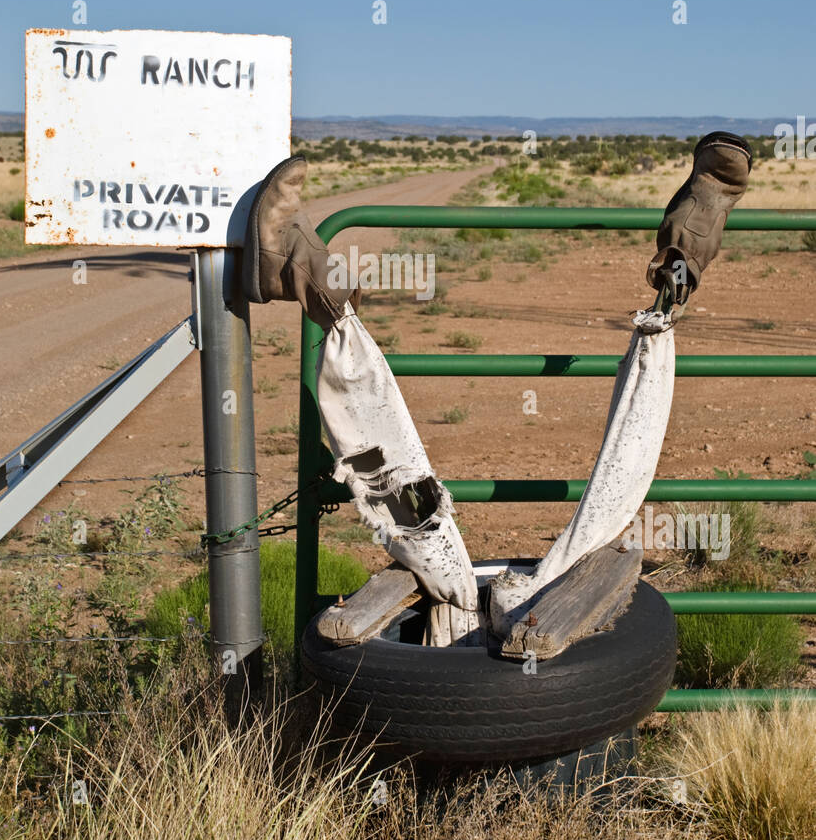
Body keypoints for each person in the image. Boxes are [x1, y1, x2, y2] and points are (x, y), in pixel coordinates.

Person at [240, 133, 752, 645]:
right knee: (410, 500)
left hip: (523, 620)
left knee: (400, 471)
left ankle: (293, 264)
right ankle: (689, 241)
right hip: (492, 607)